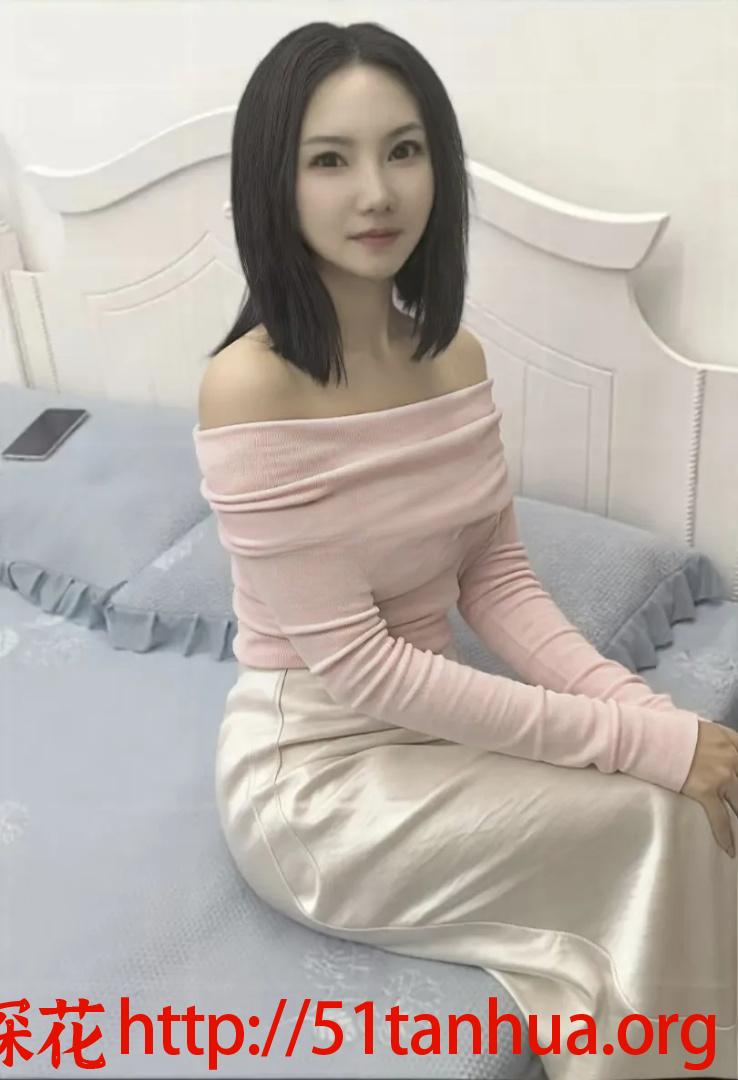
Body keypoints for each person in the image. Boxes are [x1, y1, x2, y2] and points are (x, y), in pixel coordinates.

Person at [193, 21, 738, 1080]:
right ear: (273, 183)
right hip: (315, 783)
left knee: (680, 796)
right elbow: (361, 667)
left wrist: (649, 716)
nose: (377, 193)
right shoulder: (248, 387)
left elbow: (497, 579)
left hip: (431, 729)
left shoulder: (454, 359)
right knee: (658, 815)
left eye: (403, 150)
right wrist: (637, 745)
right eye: (329, 160)